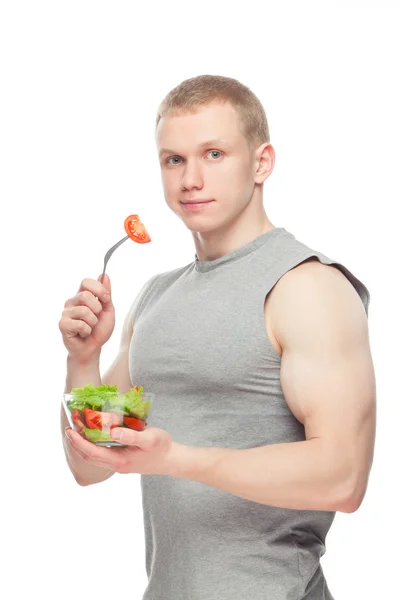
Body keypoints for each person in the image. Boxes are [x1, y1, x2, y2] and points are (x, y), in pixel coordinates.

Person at [59, 74, 376, 600]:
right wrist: (83, 361)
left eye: (214, 153)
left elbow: (344, 478)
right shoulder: (156, 296)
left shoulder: (307, 287)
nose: (191, 179)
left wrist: (176, 458)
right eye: (173, 160)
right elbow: (91, 466)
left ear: (261, 163)